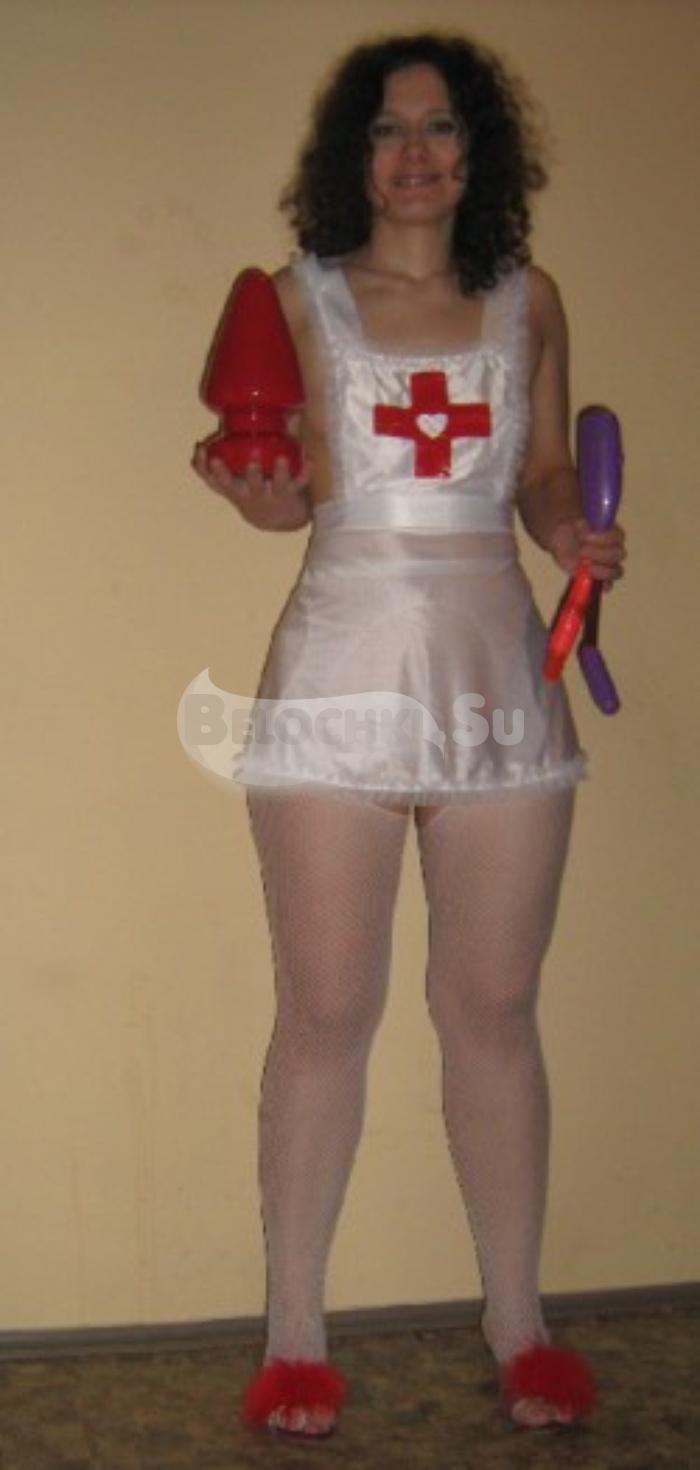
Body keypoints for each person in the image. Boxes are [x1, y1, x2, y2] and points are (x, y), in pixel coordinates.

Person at [192, 31, 626, 1438]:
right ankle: (294, 1338)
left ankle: (521, 1324)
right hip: (343, 674)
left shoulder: (529, 299)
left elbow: (542, 473)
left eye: (441, 127)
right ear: (354, 155)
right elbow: (286, 483)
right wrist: (261, 493)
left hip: (499, 683)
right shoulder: (294, 299)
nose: (417, 153)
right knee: (327, 1013)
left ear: (478, 150)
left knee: (494, 1011)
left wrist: (572, 533)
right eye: (389, 129)